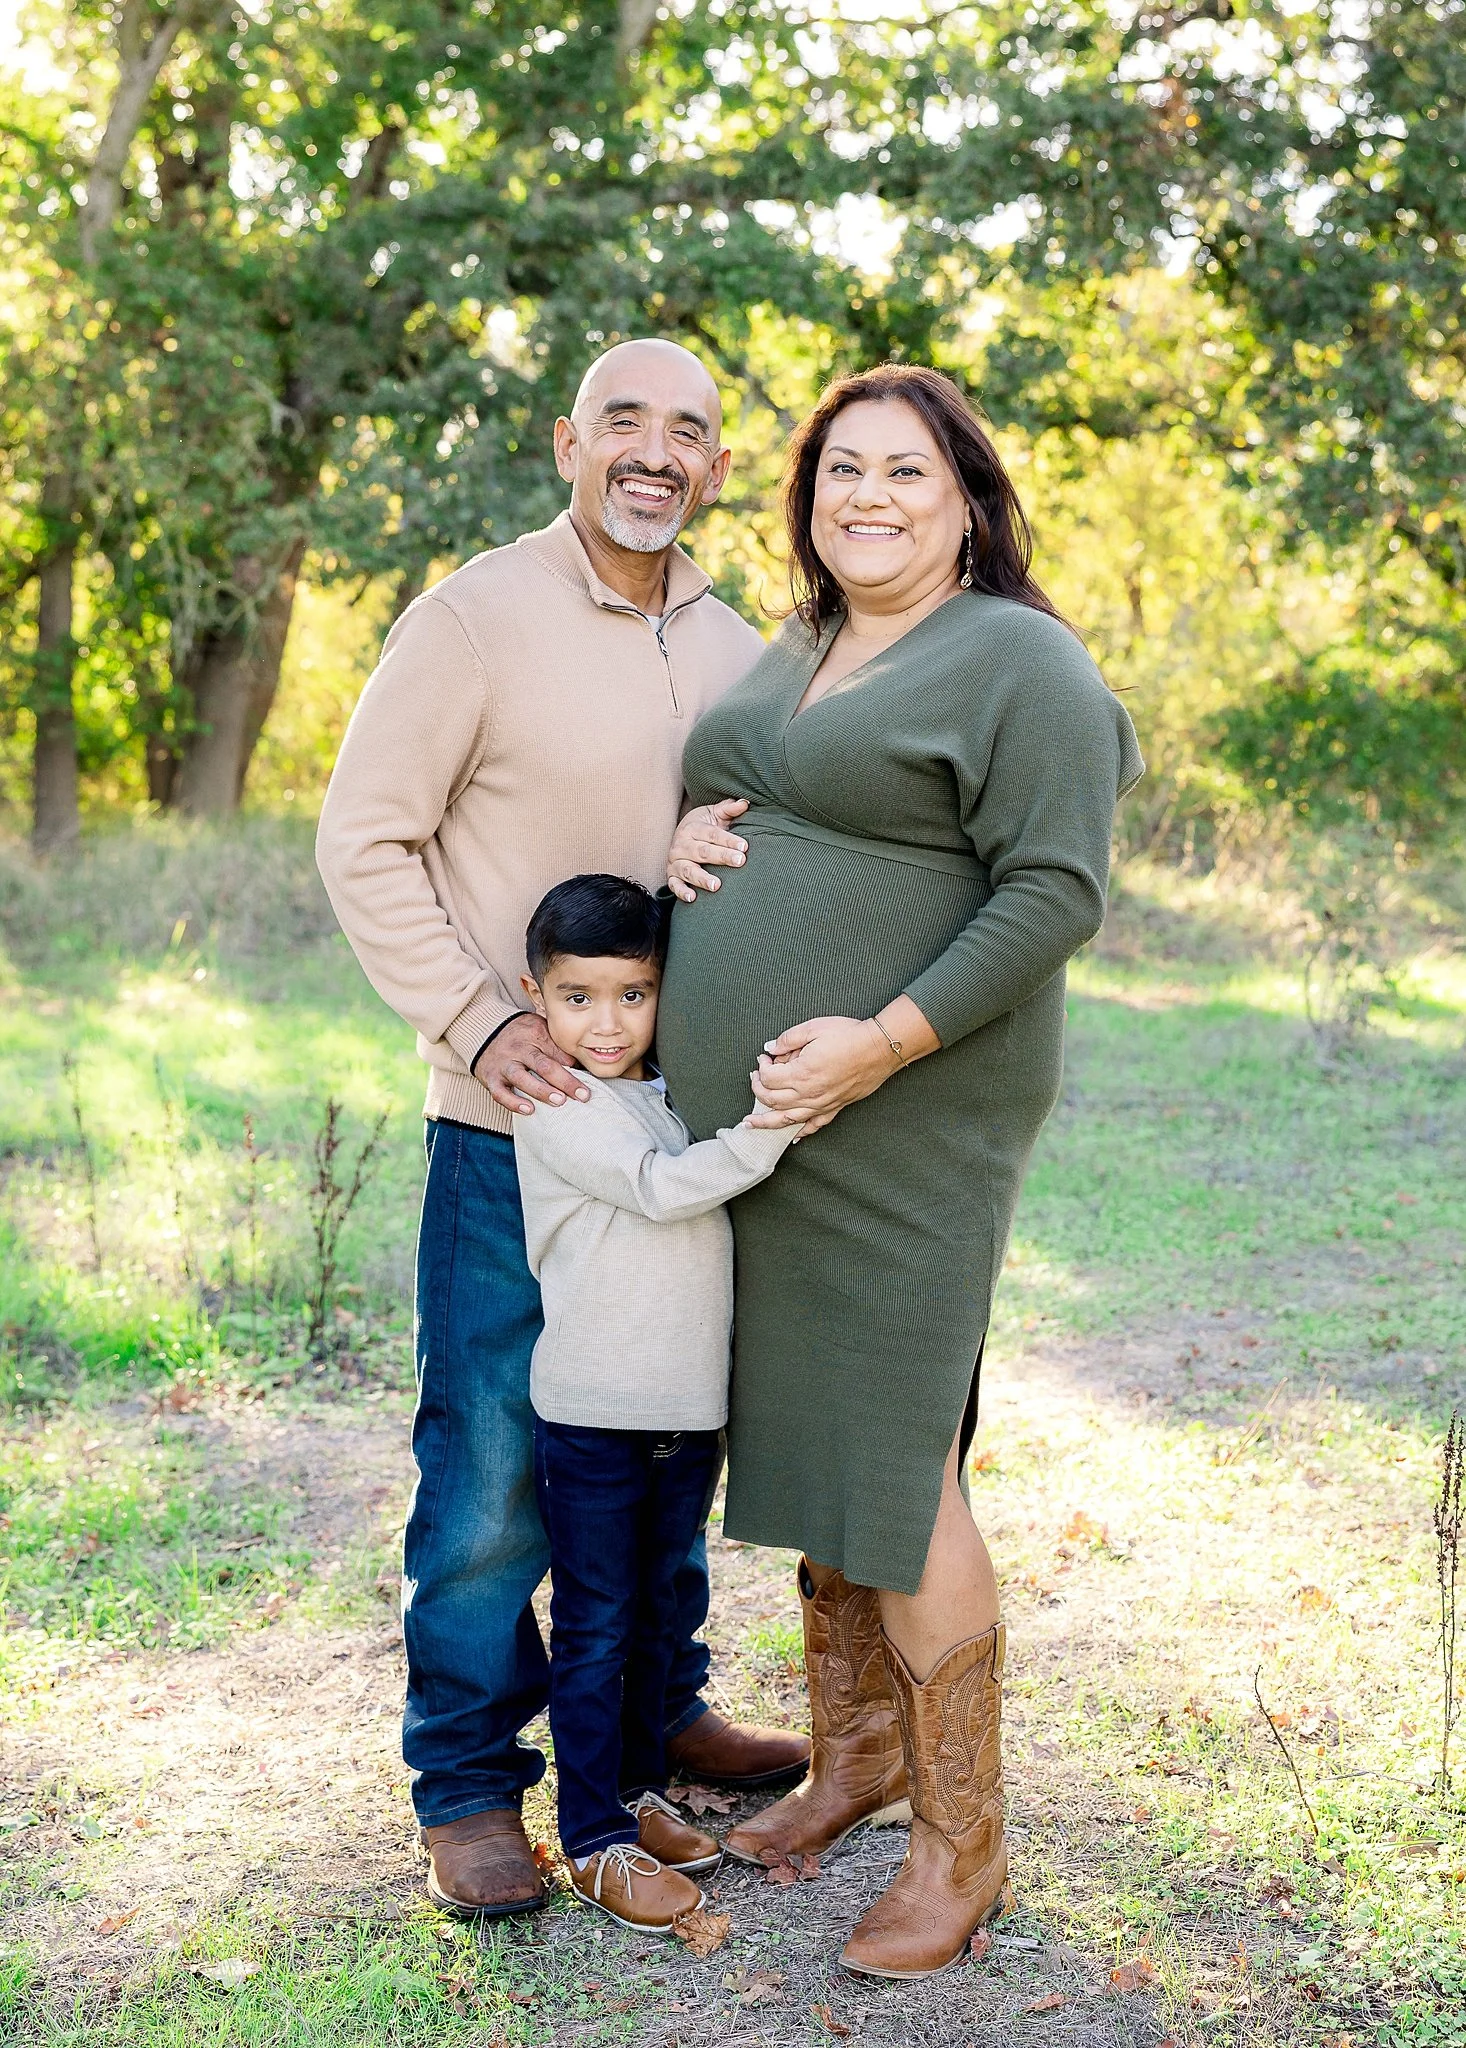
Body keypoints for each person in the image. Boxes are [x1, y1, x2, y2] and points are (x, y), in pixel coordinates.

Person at [655, 364, 1144, 1978]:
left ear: (967, 502)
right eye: (839, 469)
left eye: (905, 473)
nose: (865, 496)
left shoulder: (1019, 660)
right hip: (766, 1127)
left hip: (915, 1105)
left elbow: (1055, 891)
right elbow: (728, 801)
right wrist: (680, 853)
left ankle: (962, 1845)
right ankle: (854, 1758)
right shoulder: (796, 643)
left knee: (896, 1451)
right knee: (806, 1419)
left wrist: (875, 1040)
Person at [316, 339, 810, 1922]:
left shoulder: (741, 646)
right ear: (568, 443)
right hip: (507, 1125)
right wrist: (481, 1020)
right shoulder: (474, 618)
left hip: (673, 1129)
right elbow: (363, 838)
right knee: (491, 1468)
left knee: (663, 1429)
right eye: (624, 424)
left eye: (690, 432)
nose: (654, 454)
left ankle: (652, 1708)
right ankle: (467, 1784)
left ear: (720, 467)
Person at [511, 873, 797, 1930]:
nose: (605, 1021)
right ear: (535, 994)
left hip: (682, 1406)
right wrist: (772, 1126)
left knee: (659, 1610)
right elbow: (659, 1186)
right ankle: (590, 1837)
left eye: (632, 993)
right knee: (595, 1625)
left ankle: (632, 1791)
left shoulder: (662, 1087)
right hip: (594, 1410)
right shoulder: (555, 1101)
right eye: (577, 995)